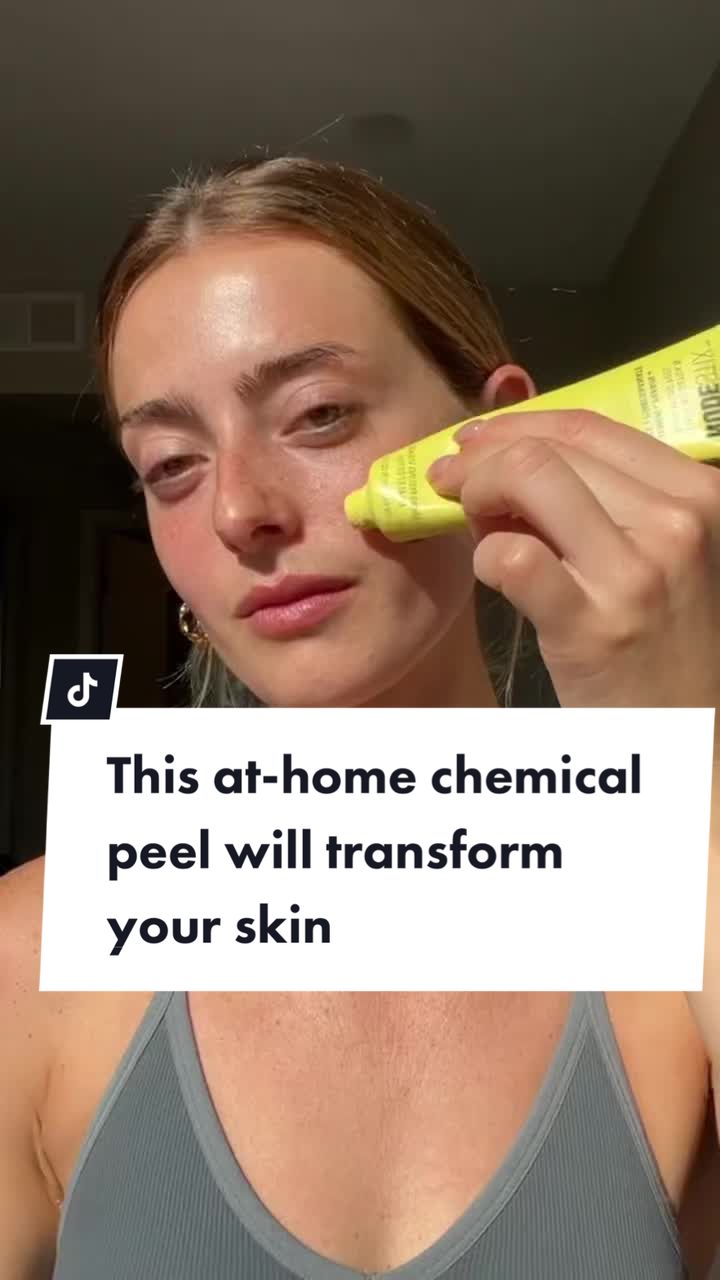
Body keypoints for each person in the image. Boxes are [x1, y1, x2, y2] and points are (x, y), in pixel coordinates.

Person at [1, 155, 719, 1279]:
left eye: (319, 414)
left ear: (508, 436)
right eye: (172, 464)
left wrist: (688, 746)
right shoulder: (32, 952)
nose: (239, 509)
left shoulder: (679, 914)